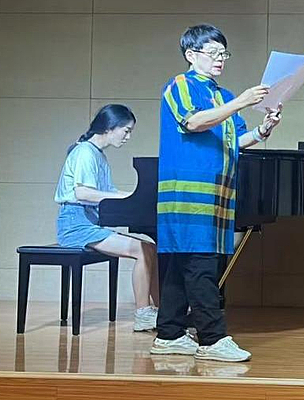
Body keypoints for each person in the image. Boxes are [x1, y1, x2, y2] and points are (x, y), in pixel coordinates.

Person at [151, 25, 282, 362]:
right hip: (187, 190)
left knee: (183, 261)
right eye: (213, 53)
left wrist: (263, 129)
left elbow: (237, 141)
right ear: (191, 55)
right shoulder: (180, 84)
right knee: (201, 263)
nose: (220, 59)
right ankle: (212, 338)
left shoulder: (223, 96)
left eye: (224, 53)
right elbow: (193, 122)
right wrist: (241, 102)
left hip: (217, 192)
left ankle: (168, 334)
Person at [55, 103, 160, 332]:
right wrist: (130, 197)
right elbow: (83, 193)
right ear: (110, 127)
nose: (128, 137)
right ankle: (143, 313)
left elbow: (108, 193)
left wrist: (133, 197)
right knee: (142, 249)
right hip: (75, 225)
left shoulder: (97, 155)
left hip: (89, 221)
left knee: (150, 248)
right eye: (126, 130)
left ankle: (163, 312)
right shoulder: (84, 152)